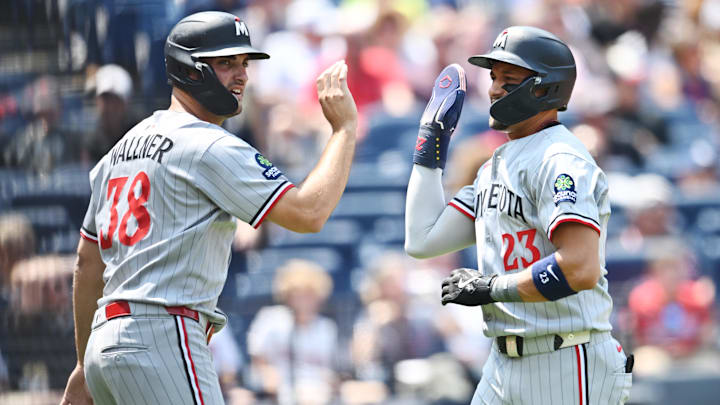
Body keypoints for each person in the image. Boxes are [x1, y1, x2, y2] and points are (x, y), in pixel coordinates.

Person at [60, 10, 357, 405]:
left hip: (105, 343)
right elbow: (308, 213)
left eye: (243, 63)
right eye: (226, 63)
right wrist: (343, 130)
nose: (242, 75)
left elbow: (87, 260)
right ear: (190, 70)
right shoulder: (208, 144)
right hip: (163, 336)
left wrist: (83, 364)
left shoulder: (119, 151)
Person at [405, 27, 633, 404]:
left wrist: (492, 288)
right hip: (504, 362)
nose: (494, 89)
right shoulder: (496, 164)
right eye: (493, 77)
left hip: (566, 358)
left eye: (508, 80)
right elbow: (422, 240)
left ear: (545, 88)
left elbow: (580, 267)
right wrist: (431, 142)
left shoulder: (560, 159)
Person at [247, 259, 338, 405]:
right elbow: (258, 362)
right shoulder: (270, 318)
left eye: (309, 294)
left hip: (317, 394)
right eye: (297, 293)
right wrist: (272, 380)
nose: (303, 300)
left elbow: (328, 371)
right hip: (277, 393)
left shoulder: (327, 327)